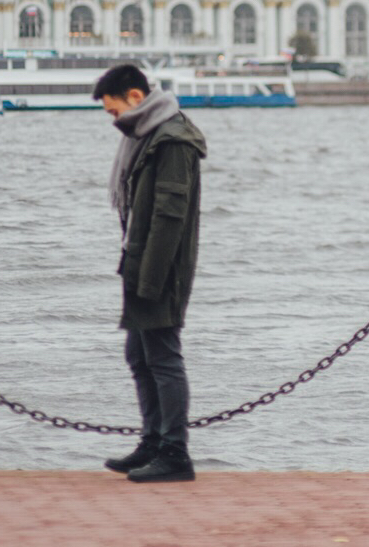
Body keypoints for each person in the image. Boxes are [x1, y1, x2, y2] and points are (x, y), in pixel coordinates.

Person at [94, 63, 207, 484]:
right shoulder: (147, 135)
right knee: (139, 355)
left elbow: (169, 216)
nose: (113, 120)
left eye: (113, 111)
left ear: (135, 99)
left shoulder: (172, 140)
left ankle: (175, 452)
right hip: (140, 260)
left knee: (162, 356)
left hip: (161, 267)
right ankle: (153, 441)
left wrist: (152, 279)